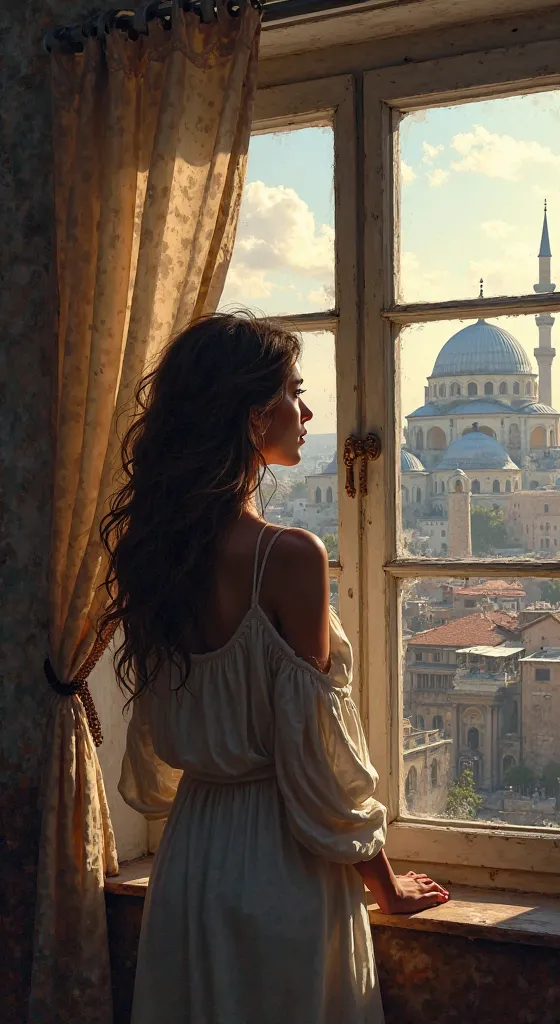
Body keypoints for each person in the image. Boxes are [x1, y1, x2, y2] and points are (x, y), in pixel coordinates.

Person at [99, 312, 449, 1024]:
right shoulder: (289, 557)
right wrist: (386, 887)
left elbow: (165, 728)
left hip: (189, 863)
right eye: (295, 392)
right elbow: (320, 761)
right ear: (255, 416)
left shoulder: (153, 553)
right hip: (282, 865)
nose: (310, 412)